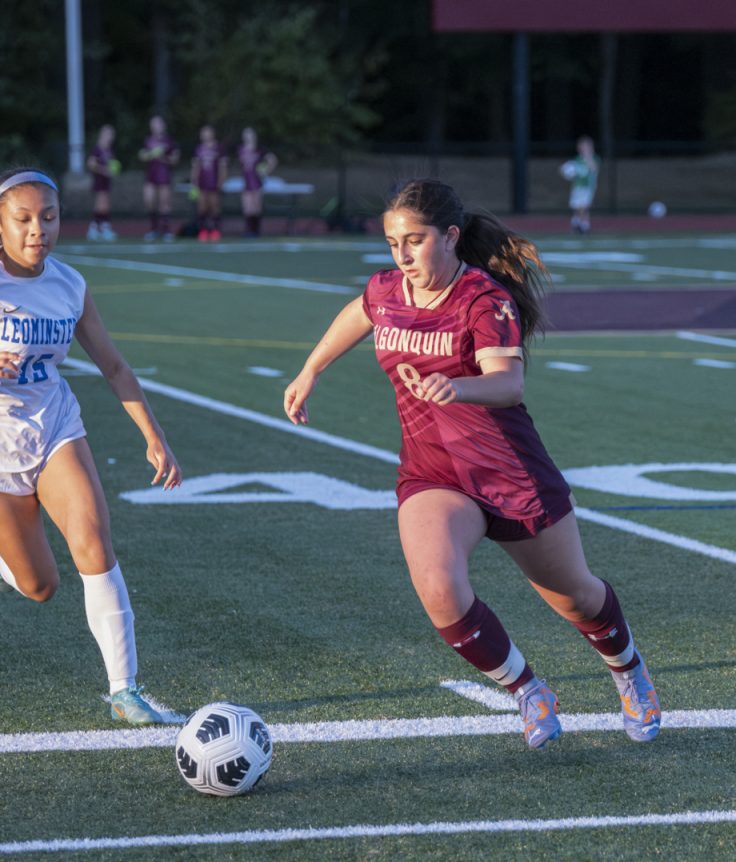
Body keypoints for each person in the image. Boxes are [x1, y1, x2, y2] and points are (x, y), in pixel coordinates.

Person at [283, 178, 660, 750]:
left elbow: (508, 383)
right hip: (433, 474)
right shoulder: (387, 290)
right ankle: (529, 691)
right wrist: (310, 370)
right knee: (438, 587)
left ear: (450, 237)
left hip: (510, 475)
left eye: (415, 241)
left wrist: (458, 388)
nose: (402, 256)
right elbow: (359, 312)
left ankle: (629, 671)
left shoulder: (485, 300)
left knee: (576, 597)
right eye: (392, 243)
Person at [0, 167, 182, 725]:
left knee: (93, 542)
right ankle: (2, 555)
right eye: (25, 219)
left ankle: (124, 691)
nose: (40, 230)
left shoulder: (70, 285)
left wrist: (154, 437)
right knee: (40, 587)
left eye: (50, 217)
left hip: (55, 427)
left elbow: (113, 365)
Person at [139, 114, 179, 241]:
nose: (156, 126)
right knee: (149, 201)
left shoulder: (169, 141)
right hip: (150, 175)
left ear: (163, 125)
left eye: (158, 123)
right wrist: (152, 154)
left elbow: (175, 159)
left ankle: (166, 230)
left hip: (164, 175)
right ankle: (153, 229)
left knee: (164, 203)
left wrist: (163, 157)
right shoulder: (147, 141)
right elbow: (142, 156)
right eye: (154, 124)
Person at [237, 127, 277, 237]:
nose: (248, 137)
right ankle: (248, 230)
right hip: (246, 181)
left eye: (250, 134)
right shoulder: (241, 149)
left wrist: (266, 170)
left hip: (257, 181)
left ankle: (256, 230)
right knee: (247, 207)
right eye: (246, 134)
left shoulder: (260, 149)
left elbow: (272, 159)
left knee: (256, 207)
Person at [190, 125, 227, 242]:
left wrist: (222, 180)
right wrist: (194, 180)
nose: (205, 135)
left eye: (208, 132)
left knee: (214, 206)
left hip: (214, 181)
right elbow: (196, 166)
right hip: (202, 182)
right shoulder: (199, 149)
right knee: (202, 207)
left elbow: (223, 166)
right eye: (203, 132)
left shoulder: (219, 148)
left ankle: (215, 230)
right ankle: (203, 231)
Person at [558, 136, 599, 234]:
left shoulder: (594, 158)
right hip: (577, 186)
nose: (584, 148)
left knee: (583, 206)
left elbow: (594, 168)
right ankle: (578, 223)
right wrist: (565, 171)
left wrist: (587, 157)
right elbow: (573, 171)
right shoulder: (577, 159)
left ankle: (583, 226)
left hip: (587, 186)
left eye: (586, 146)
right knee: (576, 206)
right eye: (582, 146)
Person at [85, 124, 118, 241]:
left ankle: (99, 228)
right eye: (108, 133)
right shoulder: (98, 149)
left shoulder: (109, 150)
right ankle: (98, 228)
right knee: (101, 204)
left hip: (106, 180)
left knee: (105, 204)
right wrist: (103, 170)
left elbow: (112, 165)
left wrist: (112, 170)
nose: (110, 137)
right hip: (99, 179)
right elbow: (91, 163)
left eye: (111, 134)